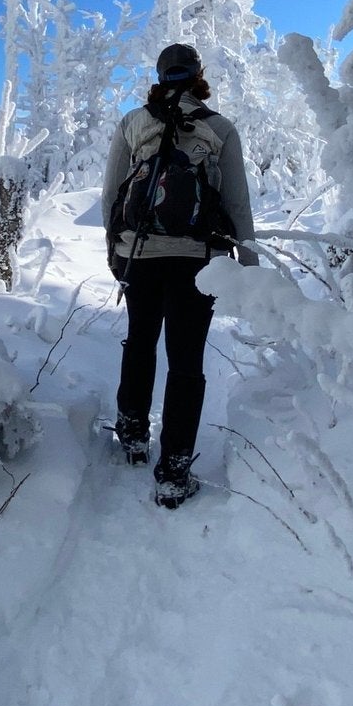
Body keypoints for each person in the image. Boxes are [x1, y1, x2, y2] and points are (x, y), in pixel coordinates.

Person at [101, 43, 258, 507]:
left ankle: (132, 434)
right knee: (186, 362)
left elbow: (112, 193)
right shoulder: (220, 128)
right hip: (198, 260)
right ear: (197, 76)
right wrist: (248, 266)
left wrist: (115, 251)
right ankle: (172, 473)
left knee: (141, 338)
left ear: (160, 75)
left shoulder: (133, 122)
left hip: (140, 254)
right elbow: (237, 203)